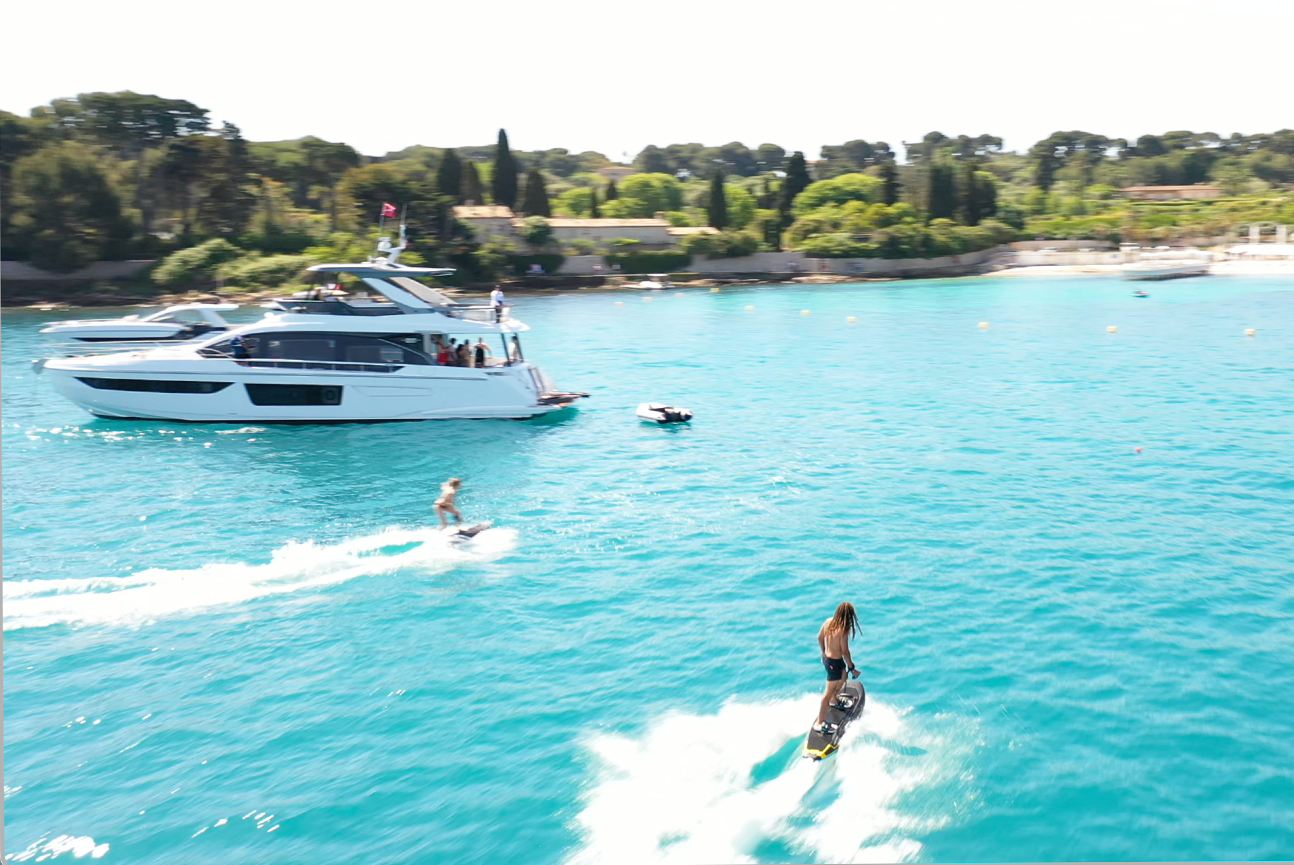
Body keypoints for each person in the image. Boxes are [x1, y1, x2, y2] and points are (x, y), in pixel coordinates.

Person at [813, 601, 860, 734]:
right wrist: (852, 666)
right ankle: (819, 723)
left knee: (844, 675)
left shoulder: (828, 621)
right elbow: (845, 651)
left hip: (831, 660)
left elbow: (819, 637)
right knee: (828, 692)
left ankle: (835, 699)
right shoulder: (843, 630)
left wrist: (823, 652)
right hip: (834, 662)